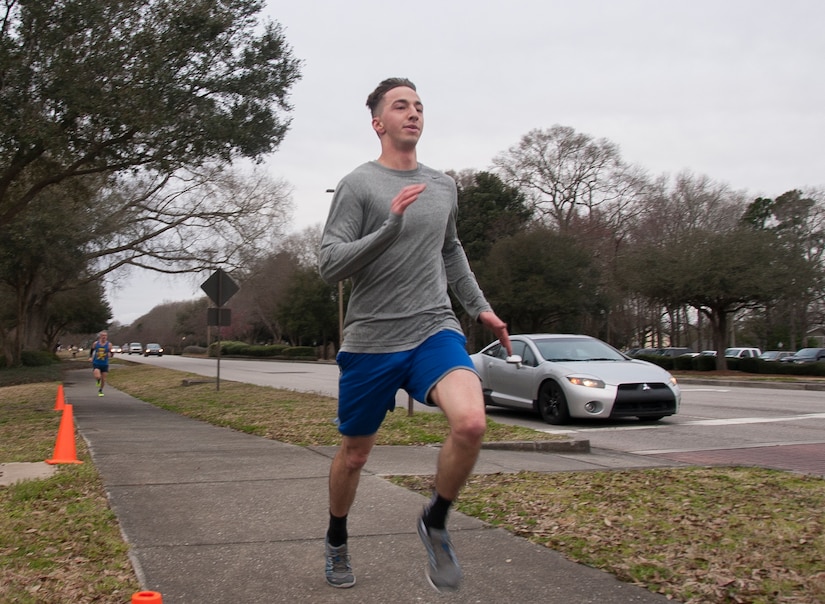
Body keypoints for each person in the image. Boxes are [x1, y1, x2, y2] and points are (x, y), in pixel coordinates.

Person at [318, 77, 512, 593]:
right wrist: (389, 227)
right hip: (372, 339)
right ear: (378, 123)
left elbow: (451, 250)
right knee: (355, 455)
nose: (413, 113)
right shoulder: (358, 185)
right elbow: (328, 264)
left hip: (433, 326)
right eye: (401, 106)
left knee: (471, 422)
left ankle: (436, 519)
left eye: (419, 106)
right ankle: (337, 537)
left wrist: (481, 309)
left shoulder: (443, 185)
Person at [88, 331, 113, 396]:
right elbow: (92, 350)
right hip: (97, 362)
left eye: (105, 336)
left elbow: (111, 352)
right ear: (100, 336)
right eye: (102, 335)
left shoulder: (109, 344)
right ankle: (98, 380)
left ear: (107, 337)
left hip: (105, 363)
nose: (104, 337)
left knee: (104, 379)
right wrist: (90, 357)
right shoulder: (96, 343)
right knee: (98, 376)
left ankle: (100, 390)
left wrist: (110, 354)